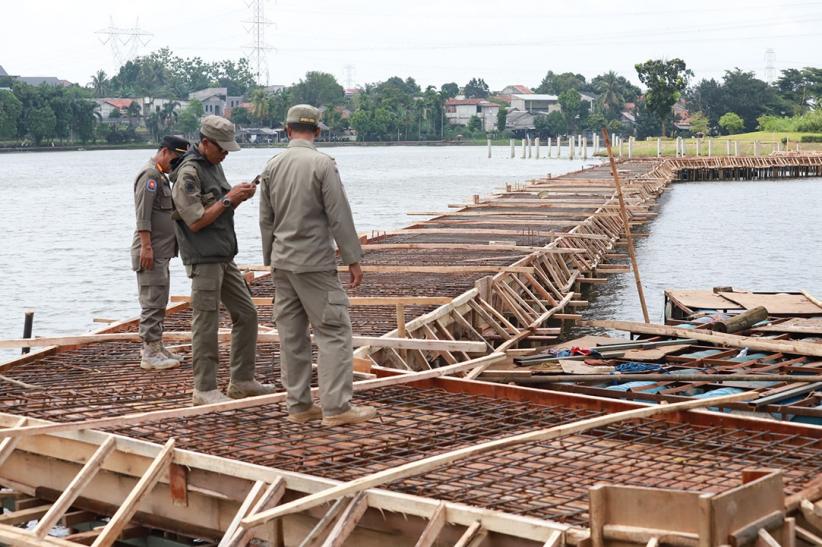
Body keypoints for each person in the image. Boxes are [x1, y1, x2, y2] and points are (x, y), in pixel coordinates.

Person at [259, 104, 376, 427]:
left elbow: (266, 219)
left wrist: (271, 259)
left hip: (283, 263)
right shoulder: (322, 164)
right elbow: (339, 214)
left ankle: (298, 405)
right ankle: (336, 408)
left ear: (287, 130)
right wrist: (352, 259)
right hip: (314, 263)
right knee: (334, 331)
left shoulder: (272, 165)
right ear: (318, 132)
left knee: (292, 335)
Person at [172, 115, 275, 405]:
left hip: (223, 256)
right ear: (205, 143)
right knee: (206, 323)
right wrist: (229, 199)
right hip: (204, 259)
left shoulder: (213, 165)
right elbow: (195, 221)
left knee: (247, 314)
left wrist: (236, 198)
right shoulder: (189, 173)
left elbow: (217, 209)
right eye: (222, 148)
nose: (226, 154)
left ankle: (241, 381)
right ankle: (204, 389)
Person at [132, 135, 190, 371]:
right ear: (165, 152)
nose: (175, 165)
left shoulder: (161, 176)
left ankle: (157, 346)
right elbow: (143, 215)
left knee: (159, 299)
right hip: (151, 251)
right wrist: (146, 247)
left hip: (160, 251)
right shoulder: (150, 176)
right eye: (175, 159)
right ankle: (149, 353)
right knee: (152, 302)